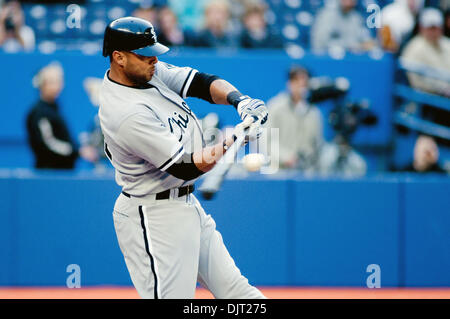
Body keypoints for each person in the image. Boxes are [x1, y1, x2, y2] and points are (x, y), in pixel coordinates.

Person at [99, 17, 268, 299]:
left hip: (186, 205)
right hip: (153, 214)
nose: (154, 60)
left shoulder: (146, 71)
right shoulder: (124, 112)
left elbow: (201, 83)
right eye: (146, 55)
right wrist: (234, 138)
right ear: (119, 58)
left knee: (238, 293)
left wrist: (241, 101)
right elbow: (185, 166)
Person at [26, 62, 98, 169]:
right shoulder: (39, 113)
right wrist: (77, 151)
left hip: (63, 171)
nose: (57, 86)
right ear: (41, 84)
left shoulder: (54, 109)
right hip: (48, 172)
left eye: (59, 81)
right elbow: (48, 143)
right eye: (51, 82)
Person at [264, 66, 323, 171]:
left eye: (304, 81)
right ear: (289, 83)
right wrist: (286, 157)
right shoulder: (275, 107)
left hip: (306, 171)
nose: (301, 85)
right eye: (296, 80)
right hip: (279, 170)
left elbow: (317, 145)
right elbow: (266, 141)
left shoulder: (314, 113)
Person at [401, 7, 450, 96]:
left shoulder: (446, 43)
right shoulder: (414, 47)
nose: (434, 31)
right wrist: (442, 89)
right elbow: (416, 81)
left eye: (436, 27)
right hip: (428, 100)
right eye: (430, 28)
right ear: (421, 28)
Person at [310, 0, 374, 53]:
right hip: (328, 58)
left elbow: (366, 40)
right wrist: (353, 46)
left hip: (351, 59)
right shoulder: (327, 15)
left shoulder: (356, 17)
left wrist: (368, 44)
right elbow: (320, 42)